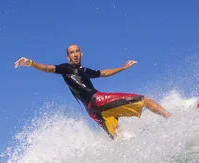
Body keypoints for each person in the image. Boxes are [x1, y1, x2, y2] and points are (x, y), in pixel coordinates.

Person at [14, 44, 171, 139]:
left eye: (77, 51)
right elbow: (48, 68)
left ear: (81, 54)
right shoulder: (66, 68)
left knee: (120, 137)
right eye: (72, 52)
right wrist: (29, 63)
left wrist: (123, 67)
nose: (75, 54)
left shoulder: (84, 70)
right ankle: (172, 119)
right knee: (143, 100)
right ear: (68, 57)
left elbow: (103, 73)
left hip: (93, 112)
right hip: (97, 101)